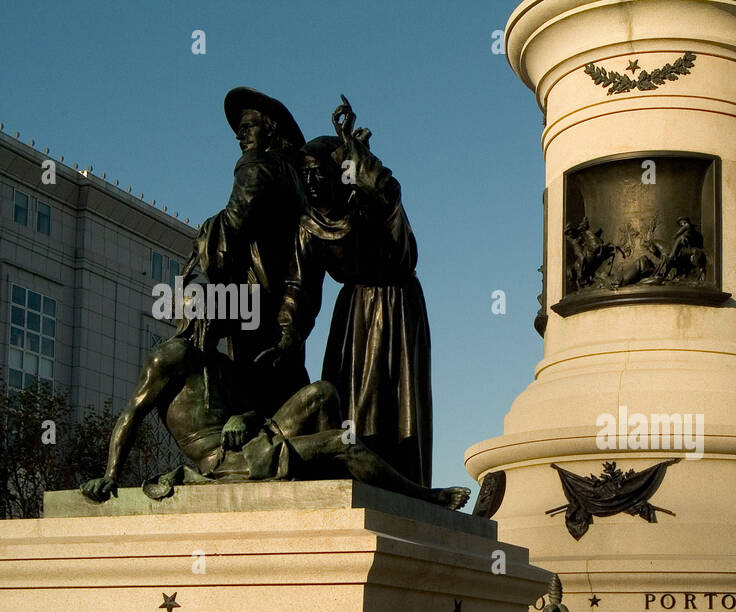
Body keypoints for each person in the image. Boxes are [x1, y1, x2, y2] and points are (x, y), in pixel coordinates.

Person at [79, 300, 468, 510]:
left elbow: (254, 414)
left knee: (323, 392)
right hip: (224, 462)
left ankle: (328, 481)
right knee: (342, 442)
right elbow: (132, 414)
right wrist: (111, 475)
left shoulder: (222, 364)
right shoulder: (170, 357)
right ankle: (424, 496)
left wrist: (242, 417)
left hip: (255, 441)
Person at [277, 95, 433, 486]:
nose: (311, 181)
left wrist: (351, 149)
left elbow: (386, 191)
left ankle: (397, 481)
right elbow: (300, 287)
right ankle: (353, 472)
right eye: (304, 174)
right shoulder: (309, 224)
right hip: (353, 315)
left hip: (394, 304)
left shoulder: (365, 203)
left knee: (392, 405)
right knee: (350, 401)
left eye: (318, 172)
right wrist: (286, 335)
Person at [186, 87, 310, 418]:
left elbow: (230, 230)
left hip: (255, 299)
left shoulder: (255, 166)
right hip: (287, 304)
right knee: (284, 395)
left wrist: (203, 238)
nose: (239, 136)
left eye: (247, 126)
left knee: (252, 393)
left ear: (269, 127)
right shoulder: (293, 176)